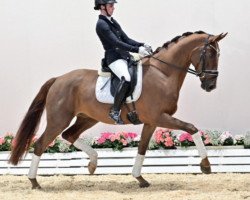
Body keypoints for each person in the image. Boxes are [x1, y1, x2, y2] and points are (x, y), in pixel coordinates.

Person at [94, 0, 152, 124]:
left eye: (113, 5)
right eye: (111, 5)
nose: (113, 8)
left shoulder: (112, 21)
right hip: (114, 58)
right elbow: (117, 43)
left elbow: (126, 39)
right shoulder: (101, 24)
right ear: (102, 7)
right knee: (126, 78)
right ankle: (114, 111)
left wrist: (142, 44)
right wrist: (137, 50)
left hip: (124, 56)